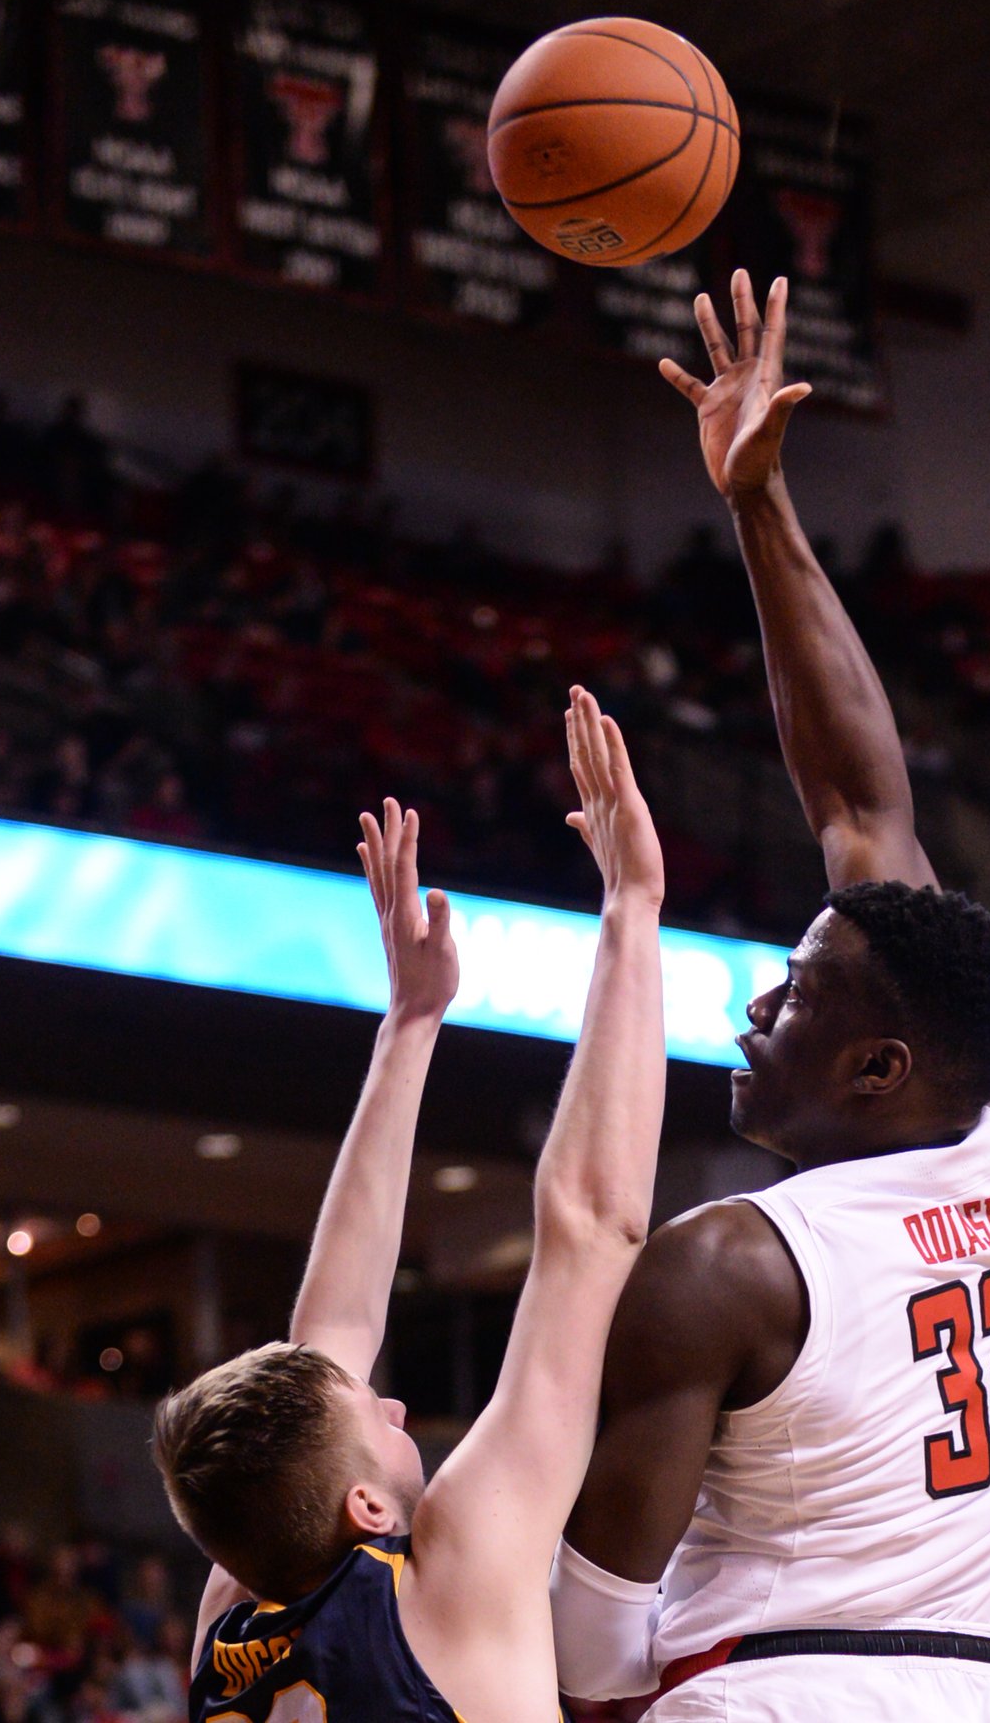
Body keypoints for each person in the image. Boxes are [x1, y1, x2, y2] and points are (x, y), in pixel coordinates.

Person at [551, 272, 990, 1722]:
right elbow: (859, 804)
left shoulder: (727, 1265)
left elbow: (591, 1655)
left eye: (792, 999)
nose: (750, 1012)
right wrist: (758, 501)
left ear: (883, 1068)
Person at [161, 688, 669, 1723]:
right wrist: (631, 910)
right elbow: (589, 1232)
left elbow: (332, 1333)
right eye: (374, 1416)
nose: (391, 1400)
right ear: (363, 1504)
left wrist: (413, 1020)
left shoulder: (233, 1618)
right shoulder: (454, 1572)